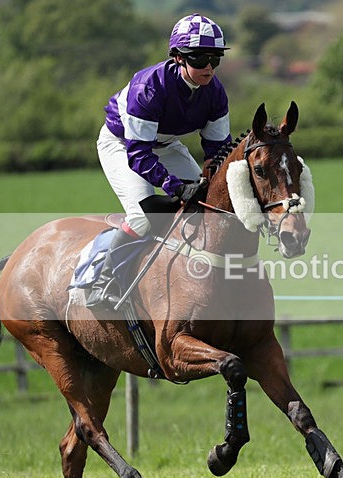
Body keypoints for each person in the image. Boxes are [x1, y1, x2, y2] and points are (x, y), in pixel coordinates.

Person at [87, 13, 233, 308]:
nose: (208, 68)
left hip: (166, 145)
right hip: (122, 144)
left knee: (207, 203)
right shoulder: (149, 87)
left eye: (214, 59)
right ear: (178, 58)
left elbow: (218, 150)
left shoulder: (215, 92)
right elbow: (138, 154)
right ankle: (103, 279)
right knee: (144, 216)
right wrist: (175, 187)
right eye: (199, 59)